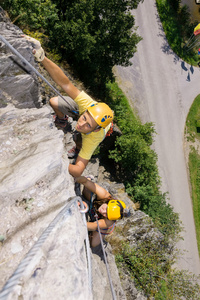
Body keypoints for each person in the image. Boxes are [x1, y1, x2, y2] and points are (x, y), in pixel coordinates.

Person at [23, 35, 114, 177]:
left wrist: (57, 163)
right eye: (83, 118)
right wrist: (42, 56)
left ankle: (77, 148)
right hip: (94, 113)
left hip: (96, 128)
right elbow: (65, 83)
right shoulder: (88, 105)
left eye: (88, 125)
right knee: (54, 102)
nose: (81, 123)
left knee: (80, 139)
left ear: (95, 130)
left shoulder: (94, 137)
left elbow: (78, 170)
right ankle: (62, 120)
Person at [76, 176, 130, 248]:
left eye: (106, 215)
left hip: (96, 219)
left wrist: (77, 223)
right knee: (87, 190)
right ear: (108, 203)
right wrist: (77, 179)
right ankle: (89, 179)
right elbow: (85, 181)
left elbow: (94, 226)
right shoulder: (104, 195)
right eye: (106, 209)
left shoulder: (109, 221)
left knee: (93, 243)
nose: (103, 212)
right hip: (93, 205)